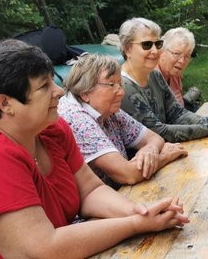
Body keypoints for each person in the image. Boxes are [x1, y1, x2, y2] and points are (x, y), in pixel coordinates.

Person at [0, 39, 189, 258]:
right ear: (5, 103)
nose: (59, 91)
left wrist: (138, 211)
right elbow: (39, 251)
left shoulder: (50, 128)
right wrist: (135, 225)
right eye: (44, 86)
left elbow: (88, 191)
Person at [59, 53, 188, 190]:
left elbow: (154, 138)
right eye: (111, 85)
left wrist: (150, 150)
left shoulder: (106, 108)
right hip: (99, 205)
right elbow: (128, 174)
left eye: (120, 84)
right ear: (84, 93)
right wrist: (164, 156)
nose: (121, 92)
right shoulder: (77, 119)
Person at [118, 17, 208, 143]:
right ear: (128, 49)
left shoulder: (155, 75)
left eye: (158, 44)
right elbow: (158, 132)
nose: (155, 51)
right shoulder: (123, 86)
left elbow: (177, 113)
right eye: (147, 45)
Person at [157, 27, 200, 111]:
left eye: (187, 56)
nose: (182, 61)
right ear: (162, 51)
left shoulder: (175, 74)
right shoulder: (149, 77)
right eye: (176, 54)